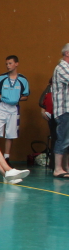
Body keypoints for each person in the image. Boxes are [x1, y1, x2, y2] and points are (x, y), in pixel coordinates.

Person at [0, 55, 29, 159]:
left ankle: (6, 158)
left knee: (10, 134)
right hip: (1, 108)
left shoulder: (23, 79)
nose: (8, 66)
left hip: (13, 110)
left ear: (17, 64)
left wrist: (17, 99)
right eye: (6, 64)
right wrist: (3, 98)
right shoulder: (1, 78)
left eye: (10, 63)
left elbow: (26, 96)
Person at [54, 44, 69, 179]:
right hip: (64, 110)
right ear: (67, 53)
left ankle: (66, 167)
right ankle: (58, 168)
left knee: (67, 140)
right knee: (63, 139)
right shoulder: (62, 67)